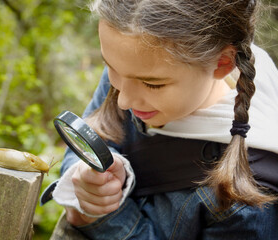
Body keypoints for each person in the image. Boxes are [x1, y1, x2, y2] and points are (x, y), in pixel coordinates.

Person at [42, 0, 278, 239]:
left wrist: (98, 218)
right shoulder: (133, 65)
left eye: (152, 84)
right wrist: (82, 175)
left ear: (223, 63)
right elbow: (90, 132)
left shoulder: (247, 199)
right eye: (110, 67)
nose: (124, 100)